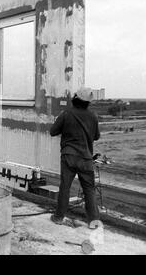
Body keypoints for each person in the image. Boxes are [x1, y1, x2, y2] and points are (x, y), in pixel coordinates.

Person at [49, 88, 101, 228]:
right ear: (87, 102)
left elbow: (53, 131)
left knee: (65, 187)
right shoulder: (93, 116)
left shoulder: (66, 114)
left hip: (69, 156)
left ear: (75, 99)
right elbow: (96, 136)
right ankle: (94, 222)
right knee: (89, 189)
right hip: (86, 158)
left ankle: (59, 217)